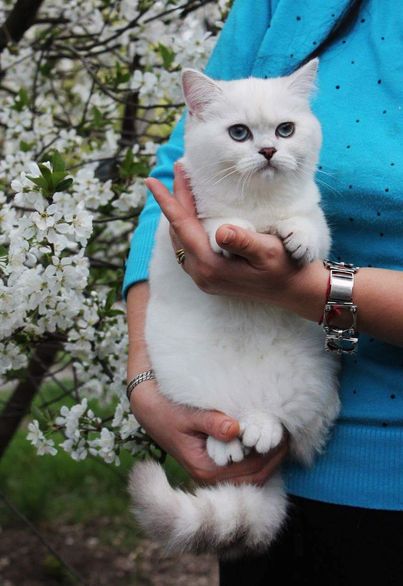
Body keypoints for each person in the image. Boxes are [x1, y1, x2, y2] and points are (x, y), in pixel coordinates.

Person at [123, 1, 403, 584]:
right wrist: (146, 383)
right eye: (248, 134)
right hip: (242, 425)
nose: (271, 147)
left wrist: (309, 287)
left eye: (283, 130)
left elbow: (307, 244)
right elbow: (175, 169)